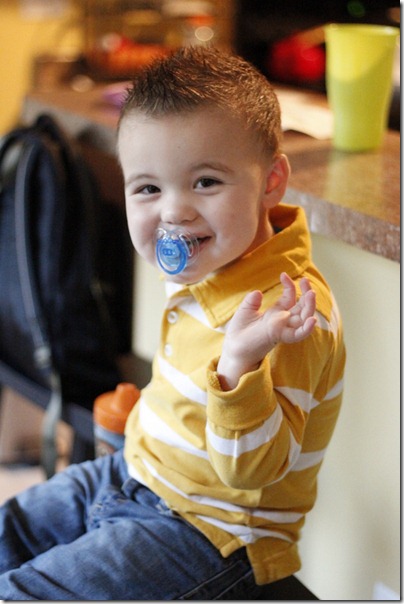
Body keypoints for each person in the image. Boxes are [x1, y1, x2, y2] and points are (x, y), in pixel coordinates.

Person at [0, 46, 345, 600]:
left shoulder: (287, 314)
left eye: (205, 181)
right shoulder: (211, 258)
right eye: (148, 188)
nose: (173, 211)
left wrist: (238, 366)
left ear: (271, 182)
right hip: (134, 471)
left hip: (211, 530)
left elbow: (254, 471)